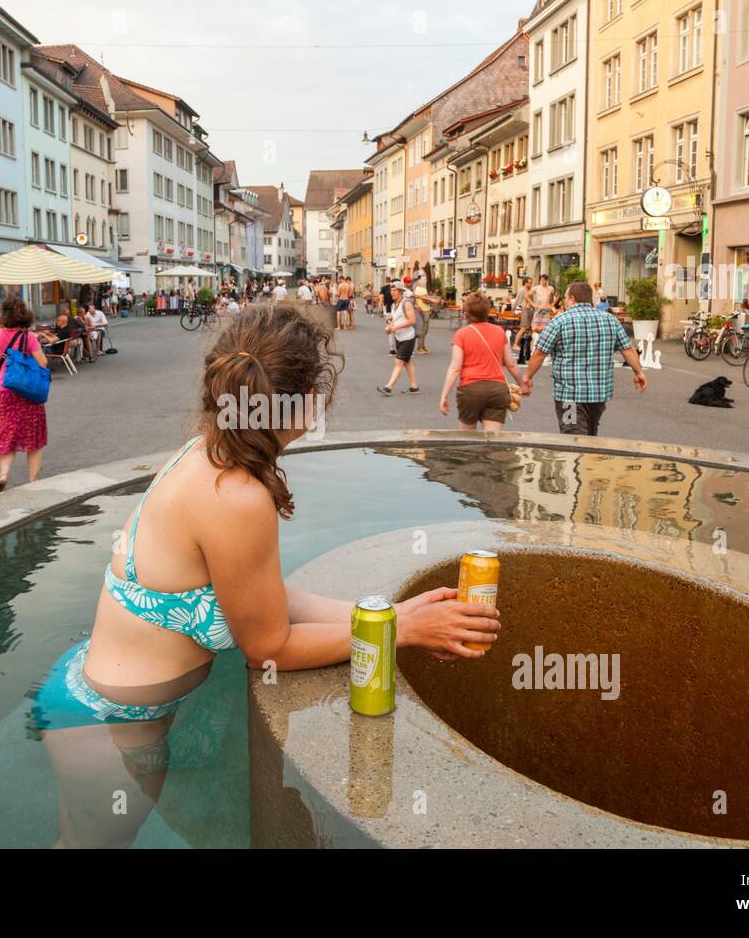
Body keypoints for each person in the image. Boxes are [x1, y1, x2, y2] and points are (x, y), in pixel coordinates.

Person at [32, 304, 501, 847]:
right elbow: (269, 648)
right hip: (116, 727)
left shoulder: (206, 453)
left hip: (87, 697)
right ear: (301, 401)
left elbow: (265, 599)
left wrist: (394, 616)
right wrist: (405, 633)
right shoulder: (237, 497)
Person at [523, 281, 648, 436]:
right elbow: (627, 349)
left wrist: (528, 377)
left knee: (572, 437)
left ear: (572, 299)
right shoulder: (610, 320)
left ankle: (578, 458)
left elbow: (540, 352)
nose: (565, 302)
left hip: (569, 395)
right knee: (590, 435)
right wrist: (639, 372)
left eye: (566, 298)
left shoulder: (560, 321)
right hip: (599, 395)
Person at [0, 298, 50, 493]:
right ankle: (33, 481)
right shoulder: (29, 338)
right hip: (28, 392)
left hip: (5, 390)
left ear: (4, 317)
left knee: (7, 434)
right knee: (33, 439)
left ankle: (3, 474)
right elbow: (43, 362)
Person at [440, 292, 522, 432]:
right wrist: (523, 384)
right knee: (491, 440)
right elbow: (511, 363)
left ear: (467, 311)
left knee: (467, 439)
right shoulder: (499, 332)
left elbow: (455, 368)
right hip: (497, 389)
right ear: (488, 310)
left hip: (471, 389)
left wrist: (444, 395)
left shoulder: (462, 334)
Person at [378, 289, 420, 395]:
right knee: (407, 362)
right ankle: (414, 387)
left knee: (398, 362)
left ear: (400, 292)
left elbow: (412, 320)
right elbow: (395, 320)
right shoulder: (394, 305)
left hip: (408, 338)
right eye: (391, 291)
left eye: (395, 290)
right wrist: (389, 326)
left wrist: (396, 327)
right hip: (399, 337)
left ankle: (388, 387)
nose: (392, 292)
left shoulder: (406, 303)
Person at [512, 276, 535, 365]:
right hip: (525, 310)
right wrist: (513, 309)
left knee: (531, 329)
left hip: (531, 310)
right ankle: (515, 344)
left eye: (531, 282)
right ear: (525, 283)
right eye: (528, 282)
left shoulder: (532, 290)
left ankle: (530, 347)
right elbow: (517, 300)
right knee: (523, 328)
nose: (530, 284)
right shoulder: (522, 290)